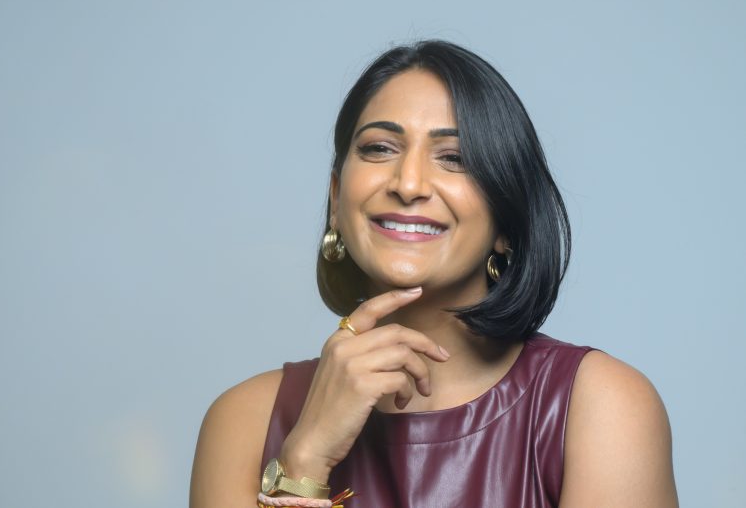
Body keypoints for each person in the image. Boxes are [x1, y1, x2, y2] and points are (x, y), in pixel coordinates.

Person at [189, 40, 678, 508]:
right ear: (336, 198)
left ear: (506, 221)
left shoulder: (600, 407)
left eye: (454, 158)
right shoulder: (244, 422)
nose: (408, 184)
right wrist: (306, 458)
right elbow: (299, 458)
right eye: (380, 148)